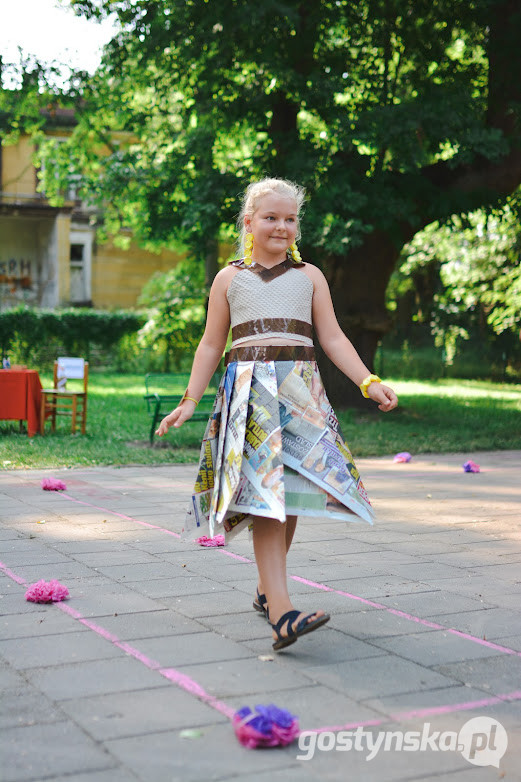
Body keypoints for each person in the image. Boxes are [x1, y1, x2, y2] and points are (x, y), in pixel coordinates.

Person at [156, 177, 398, 651]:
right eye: (271, 217)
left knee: (287, 497)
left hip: (300, 396)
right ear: (249, 222)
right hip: (249, 397)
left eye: (290, 219)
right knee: (267, 496)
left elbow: (333, 338)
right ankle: (283, 612)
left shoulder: (309, 276)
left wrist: (368, 382)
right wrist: (189, 400)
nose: (282, 226)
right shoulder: (230, 278)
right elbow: (211, 344)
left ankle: (269, 590)